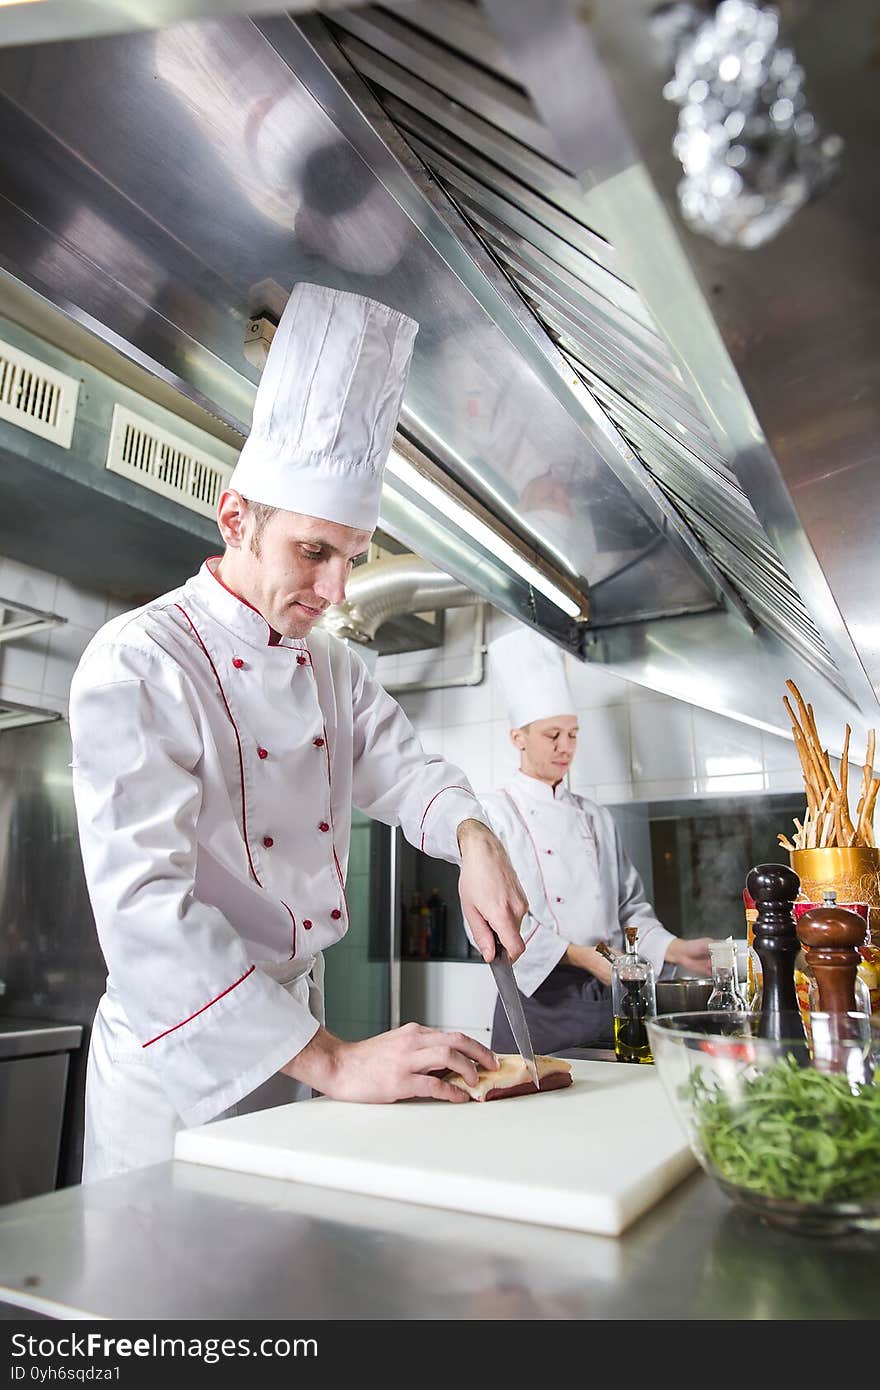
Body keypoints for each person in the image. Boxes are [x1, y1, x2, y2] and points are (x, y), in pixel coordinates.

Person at [69, 282, 528, 1182]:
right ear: (236, 518)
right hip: (182, 1067)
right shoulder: (141, 661)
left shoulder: (331, 668)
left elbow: (408, 774)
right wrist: (336, 1060)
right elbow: (144, 912)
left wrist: (475, 837)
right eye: (313, 553)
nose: (334, 592)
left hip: (301, 1045)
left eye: (352, 559)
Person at [480, 626, 712, 1054]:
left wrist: (677, 950)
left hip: (610, 995)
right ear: (518, 738)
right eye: (552, 735)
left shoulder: (596, 817)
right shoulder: (492, 815)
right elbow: (496, 919)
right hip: (537, 1002)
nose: (565, 747)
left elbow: (631, 909)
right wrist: (580, 955)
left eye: (573, 734)